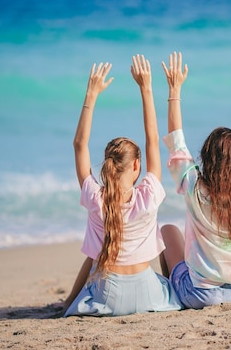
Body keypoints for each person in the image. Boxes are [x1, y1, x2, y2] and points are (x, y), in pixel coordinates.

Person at [63, 56, 182, 317]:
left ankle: (69, 301)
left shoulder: (95, 198)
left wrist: (91, 95)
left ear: (107, 165)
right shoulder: (149, 196)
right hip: (147, 293)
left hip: (109, 298)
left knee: (97, 258)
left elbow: (79, 145)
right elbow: (153, 137)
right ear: (136, 166)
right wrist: (146, 88)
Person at [159, 51, 231, 309]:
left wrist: (174, 90)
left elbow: (177, 143)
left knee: (167, 232)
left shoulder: (195, 186)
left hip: (203, 294)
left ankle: (171, 297)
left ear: (206, 157)